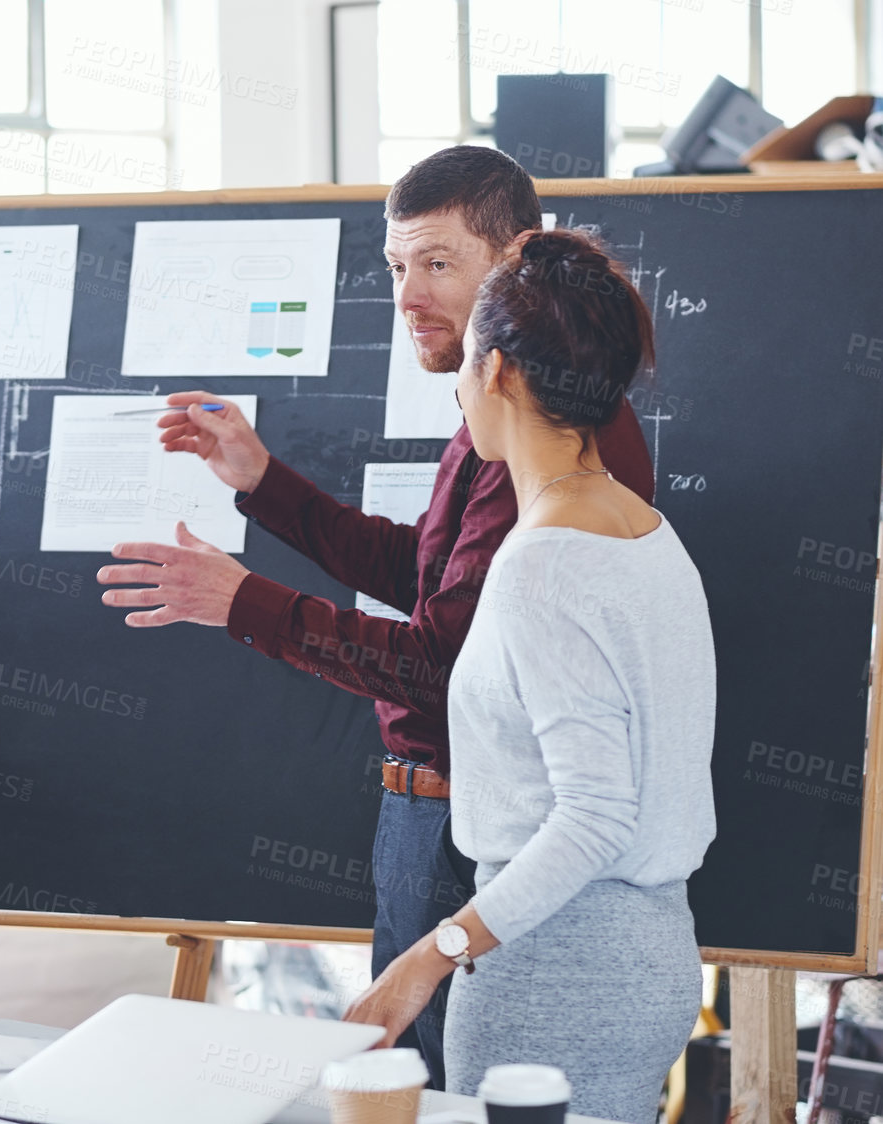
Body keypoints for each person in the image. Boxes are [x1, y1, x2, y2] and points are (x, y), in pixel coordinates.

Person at [93, 145, 654, 1088]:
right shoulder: (501, 417)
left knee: (446, 1095)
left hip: (470, 830)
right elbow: (428, 574)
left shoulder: (553, 444)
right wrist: (265, 485)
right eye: (396, 268)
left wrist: (242, 603)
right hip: (432, 818)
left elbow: (443, 664)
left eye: (437, 263)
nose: (407, 296)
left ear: (516, 258)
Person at [342, 228, 714, 1124]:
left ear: (500, 370)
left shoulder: (540, 561)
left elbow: (592, 815)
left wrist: (430, 954)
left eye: (468, 359)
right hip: (650, 950)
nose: (460, 386)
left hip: (556, 969)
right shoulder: (643, 528)